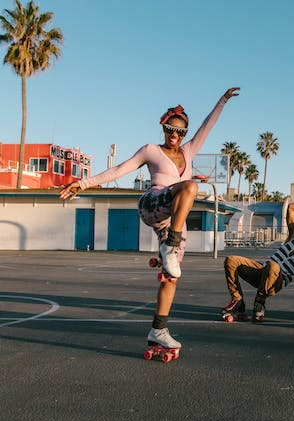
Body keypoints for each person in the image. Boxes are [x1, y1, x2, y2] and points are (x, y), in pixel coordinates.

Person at [59, 87, 240, 350]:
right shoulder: (151, 150)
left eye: (180, 131)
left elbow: (207, 126)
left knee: (171, 275)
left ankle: (159, 329)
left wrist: (222, 101)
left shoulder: (189, 151)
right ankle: (172, 244)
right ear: (163, 127)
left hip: (172, 221)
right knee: (190, 187)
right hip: (152, 204)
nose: (175, 135)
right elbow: (120, 169)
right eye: (170, 129)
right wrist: (85, 183)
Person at [222, 201, 294, 322]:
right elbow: (291, 208)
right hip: (262, 272)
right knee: (231, 260)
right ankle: (238, 300)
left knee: (273, 266)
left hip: (276, 282)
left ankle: (260, 302)